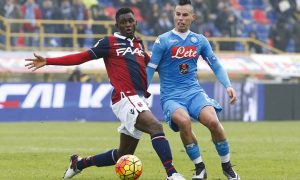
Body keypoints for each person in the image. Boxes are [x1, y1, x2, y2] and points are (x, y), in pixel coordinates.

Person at [25, 7, 185, 180]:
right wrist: (48, 61)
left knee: (122, 155)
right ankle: (172, 174)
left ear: (135, 22)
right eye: (123, 22)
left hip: (139, 99)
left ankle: (79, 163)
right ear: (117, 25)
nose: (128, 25)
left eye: (130, 21)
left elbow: (155, 65)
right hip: (125, 97)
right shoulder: (108, 43)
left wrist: (179, 68)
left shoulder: (138, 44)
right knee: (156, 127)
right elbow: (82, 57)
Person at [146, 0, 240, 180]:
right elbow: (150, 69)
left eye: (185, 15)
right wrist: (142, 93)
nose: (180, 18)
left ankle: (227, 167)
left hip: (194, 92)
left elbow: (216, 65)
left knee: (213, 121)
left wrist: (228, 85)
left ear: (192, 17)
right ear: (174, 15)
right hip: (172, 96)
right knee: (184, 121)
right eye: (178, 14)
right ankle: (200, 168)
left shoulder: (199, 40)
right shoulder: (163, 40)